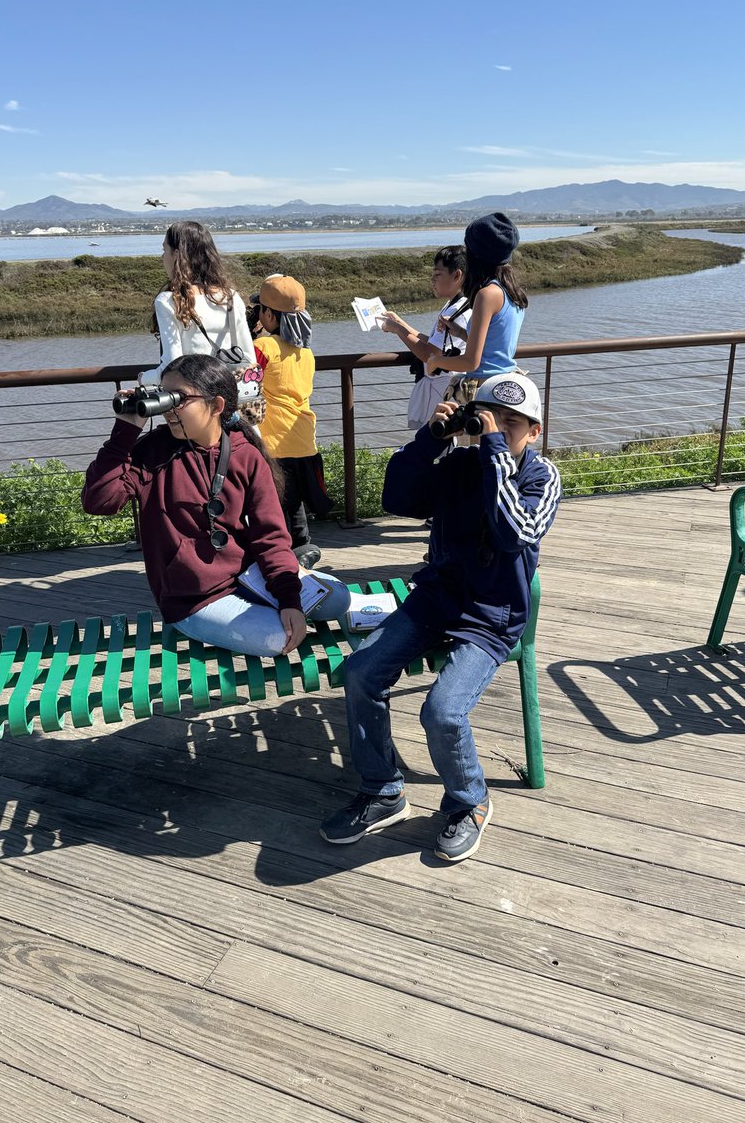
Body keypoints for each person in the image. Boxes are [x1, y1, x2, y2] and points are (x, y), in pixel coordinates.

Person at [320, 369, 560, 862]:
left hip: (492, 614)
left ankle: (468, 802)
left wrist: (493, 450)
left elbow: (517, 531)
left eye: (513, 425)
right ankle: (383, 790)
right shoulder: (461, 464)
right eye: (491, 420)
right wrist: (430, 439)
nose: (500, 430)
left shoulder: (541, 476)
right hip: (437, 597)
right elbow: (397, 498)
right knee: (362, 671)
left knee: (443, 710)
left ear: (535, 431)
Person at [83, 354, 350, 658]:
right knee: (276, 638)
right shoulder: (152, 454)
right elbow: (99, 501)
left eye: (178, 399)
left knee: (339, 599)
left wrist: (289, 598)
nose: (169, 409)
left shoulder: (243, 453)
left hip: (248, 575)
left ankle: (278, 596)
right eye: (164, 396)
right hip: (193, 598)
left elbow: (270, 535)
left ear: (217, 405)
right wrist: (124, 433)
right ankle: (247, 611)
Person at [139, 220, 263, 425]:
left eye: (164, 251)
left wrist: (145, 378)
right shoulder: (230, 297)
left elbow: (173, 365)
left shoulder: (169, 301)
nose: (162, 258)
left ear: (177, 254)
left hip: (197, 413)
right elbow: (248, 358)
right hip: (236, 414)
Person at [250, 274, 333, 570]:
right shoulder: (306, 352)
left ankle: (278, 551)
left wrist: (252, 337)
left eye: (261, 309)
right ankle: (302, 545)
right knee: (294, 499)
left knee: (271, 499)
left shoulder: (264, 347)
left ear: (269, 314)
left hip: (273, 437)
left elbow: (246, 381)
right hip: (302, 436)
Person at [424, 212, 528, 406]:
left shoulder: (486, 295)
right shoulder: (511, 291)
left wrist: (435, 361)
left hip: (483, 391)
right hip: (504, 386)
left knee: (432, 434)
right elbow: (495, 347)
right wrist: (461, 332)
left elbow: (471, 362)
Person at [378, 245, 472, 431]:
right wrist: (400, 322)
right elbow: (433, 343)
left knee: (438, 442)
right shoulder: (460, 303)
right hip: (448, 387)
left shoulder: (455, 311)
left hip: (442, 390)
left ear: (457, 275)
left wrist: (397, 329)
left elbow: (429, 353)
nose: (432, 279)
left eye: (437, 274)